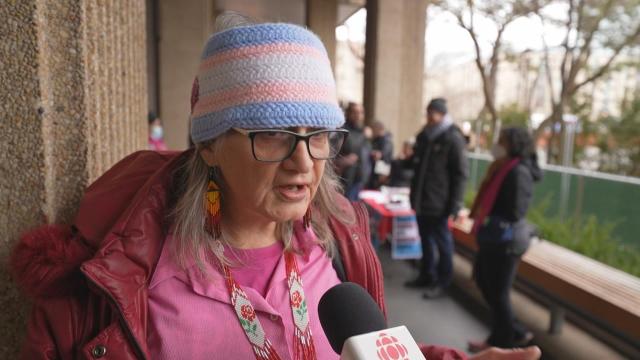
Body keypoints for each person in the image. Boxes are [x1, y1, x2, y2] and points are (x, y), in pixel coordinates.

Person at [10, 14, 541, 360]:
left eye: (318, 137)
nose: (302, 164)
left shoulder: (333, 247)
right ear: (210, 145)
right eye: (273, 135)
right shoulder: (125, 280)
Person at [468, 127, 543, 351]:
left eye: (501, 141)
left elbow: (516, 211)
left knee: (498, 292)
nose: (497, 144)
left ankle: (500, 343)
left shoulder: (518, 171)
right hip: (494, 238)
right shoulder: (503, 167)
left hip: (506, 242)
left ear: (513, 145)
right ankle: (517, 333)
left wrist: (491, 216)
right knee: (483, 280)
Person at [405, 98, 468, 299]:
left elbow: (460, 174)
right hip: (422, 200)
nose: (431, 116)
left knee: (443, 243)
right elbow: (415, 164)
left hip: (440, 202)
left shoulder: (453, 138)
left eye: (435, 112)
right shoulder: (424, 136)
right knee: (425, 239)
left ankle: (443, 282)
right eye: (429, 111)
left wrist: (455, 205)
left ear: (443, 114)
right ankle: (426, 275)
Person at [335, 102, 371, 201]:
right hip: (345, 179)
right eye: (355, 112)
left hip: (360, 178)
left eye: (361, 112)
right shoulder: (342, 131)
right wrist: (341, 161)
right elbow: (331, 153)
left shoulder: (364, 131)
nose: (358, 115)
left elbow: (364, 152)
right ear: (348, 113)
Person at [368, 121, 394, 189]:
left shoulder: (386, 140)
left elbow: (382, 154)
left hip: (381, 171)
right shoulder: (377, 139)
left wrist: (373, 153)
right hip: (377, 170)